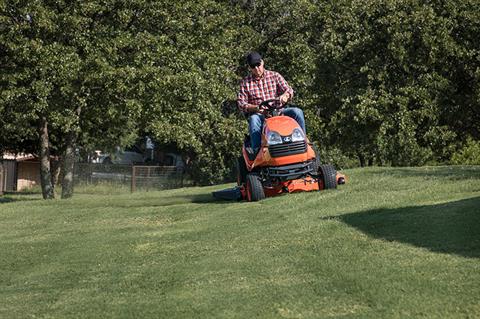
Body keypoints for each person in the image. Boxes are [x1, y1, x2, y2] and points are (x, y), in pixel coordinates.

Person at [237, 51, 306, 154]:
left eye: (258, 65)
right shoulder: (245, 83)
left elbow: (289, 90)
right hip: (261, 116)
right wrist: (256, 108)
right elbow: (241, 104)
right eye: (253, 66)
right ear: (249, 68)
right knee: (253, 119)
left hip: (279, 111)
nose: (256, 68)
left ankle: (303, 142)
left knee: (297, 112)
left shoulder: (274, 76)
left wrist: (285, 96)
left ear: (262, 63)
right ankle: (257, 151)